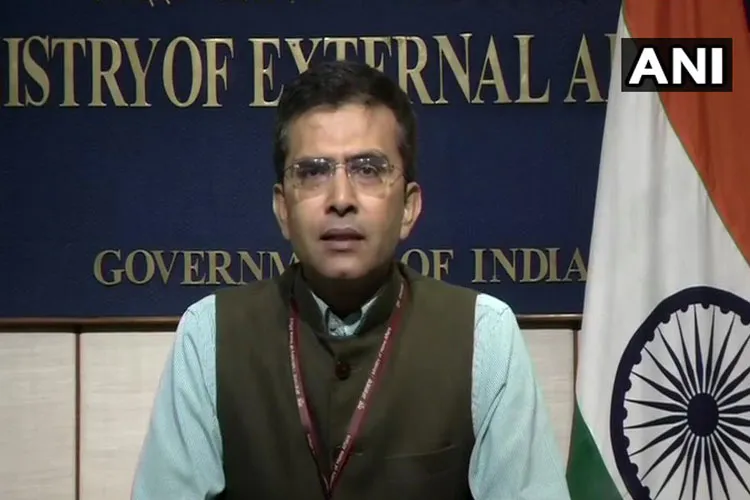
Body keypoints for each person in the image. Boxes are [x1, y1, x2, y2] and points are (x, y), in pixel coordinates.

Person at [131, 59, 571, 500]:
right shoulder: (209, 336)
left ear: (409, 208)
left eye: (369, 169)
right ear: (283, 209)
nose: (341, 199)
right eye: (313, 172)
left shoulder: (485, 335)